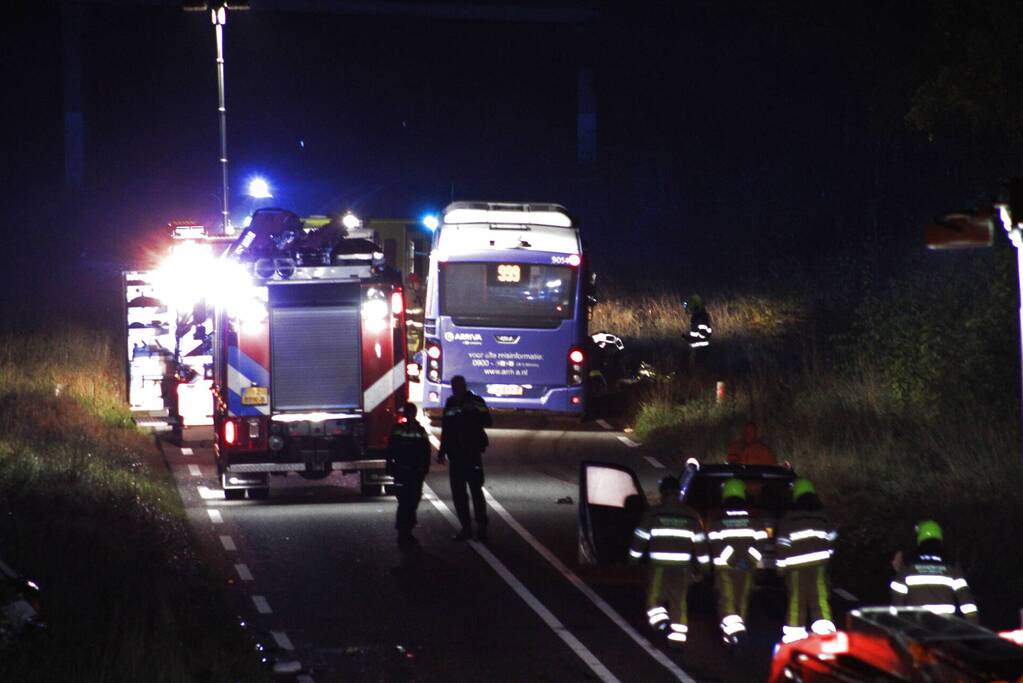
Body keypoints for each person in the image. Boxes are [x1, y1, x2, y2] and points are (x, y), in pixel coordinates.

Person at [628, 475, 709, 649]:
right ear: (679, 493)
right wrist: (704, 569)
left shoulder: (653, 513)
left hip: (659, 568)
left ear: (662, 492)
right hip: (682, 570)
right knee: (679, 603)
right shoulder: (692, 515)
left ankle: (662, 624)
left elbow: (639, 540)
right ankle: (677, 641)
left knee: (654, 601)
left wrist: (633, 561)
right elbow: (701, 545)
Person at [775, 478, 837, 644]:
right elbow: (831, 539)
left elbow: (782, 545)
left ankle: (794, 638)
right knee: (820, 598)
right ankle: (826, 636)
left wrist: (780, 568)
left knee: (797, 599)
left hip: (796, 567)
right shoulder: (823, 515)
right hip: (819, 565)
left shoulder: (788, 518)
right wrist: (828, 558)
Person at [706, 478, 767, 645]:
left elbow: (716, 544)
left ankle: (734, 636)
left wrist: (734, 560)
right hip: (747, 569)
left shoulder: (716, 523)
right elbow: (761, 543)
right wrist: (747, 561)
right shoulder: (755, 523)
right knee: (742, 601)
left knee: (727, 601)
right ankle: (736, 635)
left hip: (726, 569)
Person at [437, 375, 493, 541]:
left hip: (472, 453)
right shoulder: (451, 403)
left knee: (476, 491)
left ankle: (481, 527)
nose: (455, 390)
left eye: (457, 386)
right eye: (454, 387)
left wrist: (471, 414)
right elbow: (446, 429)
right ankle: (466, 527)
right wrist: (442, 452)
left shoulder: (476, 401)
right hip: (456, 455)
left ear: (463, 386)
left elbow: (488, 421)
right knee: (459, 493)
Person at [889, 520, 978, 622]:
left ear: (919, 537)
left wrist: (895, 625)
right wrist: (974, 625)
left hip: (918, 626)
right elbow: (966, 600)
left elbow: (897, 599)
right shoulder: (951, 562)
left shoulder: (909, 562)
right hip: (944, 626)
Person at [386, 403, 432, 545]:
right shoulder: (405, 429)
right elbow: (391, 449)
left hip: (412, 471)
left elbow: (426, 451)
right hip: (405, 471)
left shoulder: (415, 430)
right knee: (406, 501)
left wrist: (424, 467)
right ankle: (403, 531)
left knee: (411, 501)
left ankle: (406, 530)